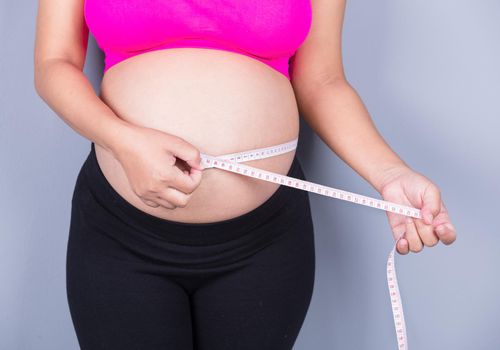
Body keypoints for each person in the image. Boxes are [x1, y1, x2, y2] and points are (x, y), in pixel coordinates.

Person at [33, 0, 457, 349]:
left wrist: (390, 175)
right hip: (121, 236)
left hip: (263, 244)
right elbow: (54, 63)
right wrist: (120, 141)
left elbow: (323, 81)